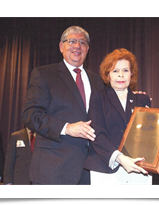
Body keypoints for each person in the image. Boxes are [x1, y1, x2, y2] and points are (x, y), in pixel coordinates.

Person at [22, 26, 104, 185]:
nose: (77, 46)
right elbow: (30, 114)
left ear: (87, 48)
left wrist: (133, 101)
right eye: (72, 41)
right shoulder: (44, 74)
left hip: (90, 171)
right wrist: (66, 128)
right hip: (53, 170)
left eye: (82, 42)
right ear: (61, 46)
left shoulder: (97, 81)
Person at [84, 48, 159, 185]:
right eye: (115, 71)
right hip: (106, 168)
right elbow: (97, 134)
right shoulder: (98, 97)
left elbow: (150, 137)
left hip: (138, 167)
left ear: (132, 74)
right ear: (108, 75)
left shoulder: (142, 100)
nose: (121, 75)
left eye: (125, 70)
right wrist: (120, 158)